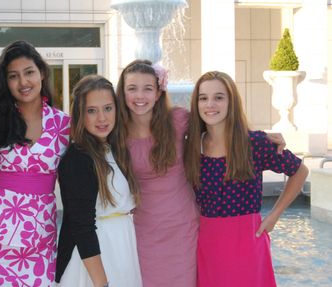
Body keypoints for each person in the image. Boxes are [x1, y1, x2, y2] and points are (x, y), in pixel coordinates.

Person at [184, 71, 308, 287]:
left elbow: (300, 171)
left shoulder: (255, 143)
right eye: (203, 98)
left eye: (219, 97)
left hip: (247, 243)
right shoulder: (192, 146)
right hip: (207, 244)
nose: (210, 104)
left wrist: (274, 216)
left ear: (231, 101)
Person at [0, 40, 70, 287]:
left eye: (29, 73)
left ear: (42, 73)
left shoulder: (64, 124)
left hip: (40, 234)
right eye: (13, 76)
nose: (23, 82)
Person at [115, 59, 199, 287]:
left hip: (183, 228)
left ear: (159, 92)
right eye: (132, 88)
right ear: (122, 93)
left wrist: (259, 137)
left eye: (147, 89)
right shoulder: (116, 133)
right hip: (141, 230)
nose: (139, 96)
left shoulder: (178, 120)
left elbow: (219, 126)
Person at [56, 75, 142, 287]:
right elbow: (82, 228)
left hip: (122, 248)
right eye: (91, 110)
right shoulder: (77, 158)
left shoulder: (115, 150)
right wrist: (101, 283)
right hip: (94, 260)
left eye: (107, 108)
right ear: (80, 115)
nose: (102, 118)